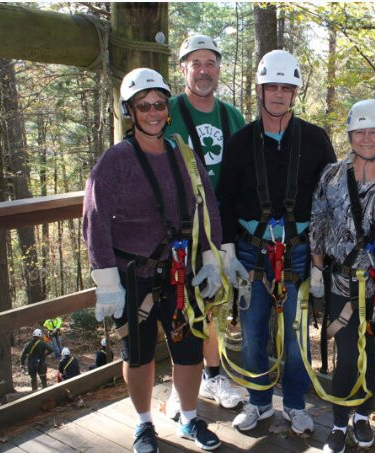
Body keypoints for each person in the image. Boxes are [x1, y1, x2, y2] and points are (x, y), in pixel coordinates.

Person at [83, 67, 223, 453]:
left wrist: (211, 259)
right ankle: (144, 424)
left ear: (167, 108)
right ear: (131, 111)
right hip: (136, 276)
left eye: (159, 104)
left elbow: (207, 206)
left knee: (189, 350)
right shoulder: (115, 162)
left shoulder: (185, 156)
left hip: (182, 271)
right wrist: (107, 283)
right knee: (139, 354)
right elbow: (95, 220)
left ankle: (190, 418)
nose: (153, 112)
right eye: (143, 106)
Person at [218, 49, 336, 435]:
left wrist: (321, 260)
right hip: (252, 250)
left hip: (299, 250)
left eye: (287, 87)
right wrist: (227, 249)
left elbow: (329, 200)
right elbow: (225, 199)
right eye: (273, 87)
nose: (279, 94)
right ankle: (259, 402)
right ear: (260, 89)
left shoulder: (316, 141)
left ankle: (297, 403)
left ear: (296, 93)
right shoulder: (240, 143)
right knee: (252, 332)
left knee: (297, 336)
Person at [310, 100, 375, 453]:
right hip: (342, 280)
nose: (367, 139)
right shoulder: (332, 175)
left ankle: (362, 415)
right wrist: (318, 266)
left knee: (374, 352)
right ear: (350, 135)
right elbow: (318, 217)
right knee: (348, 355)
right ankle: (338, 423)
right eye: (360, 132)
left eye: (374, 132)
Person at [164, 33, 245, 418]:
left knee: (213, 305)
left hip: (221, 228)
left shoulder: (232, 117)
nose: (203, 70)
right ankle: (183, 382)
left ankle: (212, 375)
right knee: (179, 302)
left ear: (218, 68)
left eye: (209, 62)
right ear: (183, 69)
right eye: (195, 63)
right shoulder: (168, 112)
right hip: (179, 226)